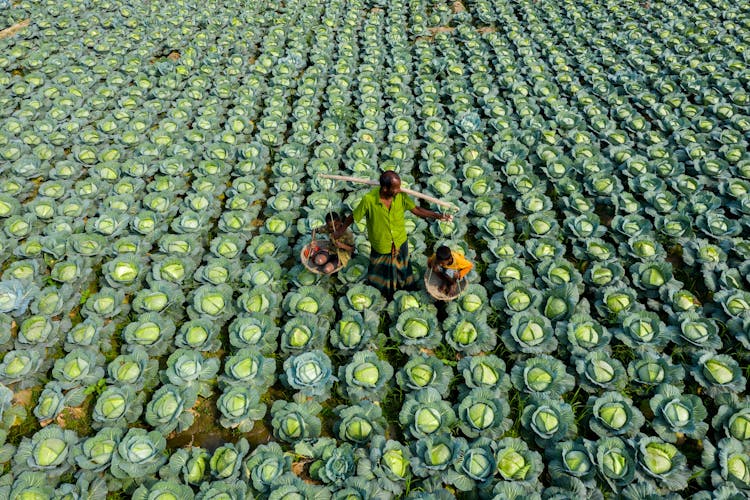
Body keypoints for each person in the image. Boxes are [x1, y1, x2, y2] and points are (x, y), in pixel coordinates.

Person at [334, 171, 451, 298]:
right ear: (385, 188)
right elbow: (353, 216)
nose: (399, 190)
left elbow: (417, 210)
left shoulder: (400, 196)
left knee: (403, 267)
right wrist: (341, 230)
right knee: (381, 270)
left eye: (399, 187)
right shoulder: (369, 200)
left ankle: (406, 287)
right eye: (395, 188)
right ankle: (384, 292)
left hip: (400, 240)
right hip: (381, 244)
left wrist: (437, 216)